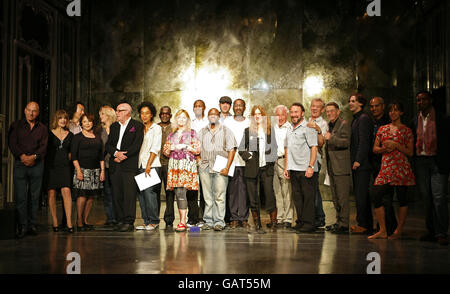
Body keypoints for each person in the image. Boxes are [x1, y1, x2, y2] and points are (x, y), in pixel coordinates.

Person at [369, 101, 415, 240]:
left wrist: (396, 145)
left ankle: (398, 230)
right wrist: (384, 148)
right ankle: (383, 230)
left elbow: (410, 152)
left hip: (401, 167)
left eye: (396, 110)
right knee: (376, 194)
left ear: (401, 112)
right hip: (387, 166)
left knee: (402, 199)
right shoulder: (383, 129)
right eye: (391, 111)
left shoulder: (406, 130)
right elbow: (375, 148)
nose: (393, 113)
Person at [412, 91, 450, 246]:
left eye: (424, 99)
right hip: (421, 161)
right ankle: (431, 230)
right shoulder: (415, 120)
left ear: (430, 100)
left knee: (439, 198)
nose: (421, 102)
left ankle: (441, 232)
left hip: (437, 161)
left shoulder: (442, 118)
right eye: (418, 100)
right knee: (426, 198)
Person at [8, 101, 48, 238]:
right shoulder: (16, 126)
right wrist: (22, 156)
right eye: (29, 110)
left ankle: (32, 224)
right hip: (20, 164)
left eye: (34, 111)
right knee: (21, 196)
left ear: (38, 113)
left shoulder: (42, 128)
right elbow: (12, 143)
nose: (31, 113)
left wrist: (34, 157)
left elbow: (44, 146)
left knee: (34, 197)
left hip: (37, 165)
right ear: (25, 110)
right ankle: (22, 226)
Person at [106, 103, 144, 232]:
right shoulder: (114, 126)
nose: (117, 113)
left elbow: (136, 145)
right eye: (116, 111)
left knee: (129, 194)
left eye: (119, 111)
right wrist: (116, 153)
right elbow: (109, 145)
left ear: (127, 112)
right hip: (115, 163)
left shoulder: (137, 126)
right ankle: (120, 220)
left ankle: (128, 221)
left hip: (129, 165)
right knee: (117, 194)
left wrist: (123, 155)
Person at [239, 105, 278, 232]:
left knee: (269, 194)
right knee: (253, 196)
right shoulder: (248, 130)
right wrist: (248, 156)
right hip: (252, 168)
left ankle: (273, 222)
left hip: (266, 169)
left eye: (259, 114)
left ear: (263, 116)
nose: (257, 116)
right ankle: (257, 223)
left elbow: (275, 148)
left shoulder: (269, 130)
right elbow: (240, 149)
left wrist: (270, 161)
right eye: (255, 114)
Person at [198, 108, 237, 231]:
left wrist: (227, 167)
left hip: (221, 166)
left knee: (220, 195)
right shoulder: (202, 131)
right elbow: (196, 147)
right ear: (208, 117)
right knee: (207, 196)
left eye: (215, 114)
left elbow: (232, 150)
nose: (213, 116)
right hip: (205, 166)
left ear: (219, 116)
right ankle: (208, 221)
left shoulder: (226, 131)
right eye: (210, 114)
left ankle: (219, 222)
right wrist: (198, 160)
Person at [162, 110, 201, 232]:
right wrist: (172, 148)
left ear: (187, 120)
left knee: (187, 194)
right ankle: (182, 221)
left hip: (187, 165)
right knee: (179, 193)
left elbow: (197, 149)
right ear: (176, 119)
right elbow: (165, 151)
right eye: (179, 118)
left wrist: (185, 146)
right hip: (175, 165)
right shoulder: (171, 134)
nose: (181, 120)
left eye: (184, 118)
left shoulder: (192, 133)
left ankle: (187, 221)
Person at [283, 103, 318, 233]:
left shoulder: (308, 127)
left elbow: (314, 147)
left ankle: (309, 224)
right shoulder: (289, 128)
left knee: (308, 197)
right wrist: (286, 167)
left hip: (305, 168)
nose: (293, 115)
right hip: (293, 168)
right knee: (297, 197)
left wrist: (310, 166)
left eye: (296, 112)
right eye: (292, 112)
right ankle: (301, 221)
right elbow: (287, 149)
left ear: (302, 113)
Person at [71, 113, 105, 231]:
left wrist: (102, 172)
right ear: (81, 123)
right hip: (82, 170)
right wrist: (79, 171)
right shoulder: (77, 137)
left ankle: (85, 220)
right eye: (84, 121)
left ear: (93, 122)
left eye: (89, 121)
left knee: (91, 197)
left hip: (95, 170)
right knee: (82, 196)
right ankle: (79, 221)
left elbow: (101, 156)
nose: (87, 124)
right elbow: (74, 156)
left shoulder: (97, 137)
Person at [369, 97, 397, 236]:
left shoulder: (388, 122)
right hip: (376, 163)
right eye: (372, 106)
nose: (374, 108)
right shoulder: (373, 122)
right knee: (379, 196)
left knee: (385, 196)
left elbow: (388, 146)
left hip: (389, 163)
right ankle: (383, 226)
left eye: (377, 106)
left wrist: (380, 149)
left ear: (383, 106)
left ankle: (390, 227)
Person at [324, 102, 351, 234]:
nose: (329, 113)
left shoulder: (344, 124)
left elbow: (346, 142)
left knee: (342, 197)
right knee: (335, 197)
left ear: (338, 111)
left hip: (341, 167)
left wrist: (331, 138)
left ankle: (344, 224)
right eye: (327, 111)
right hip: (332, 166)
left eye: (331, 111)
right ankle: (338, 221)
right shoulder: (329, 125)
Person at [349, 93, 374, 234]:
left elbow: (364, 142)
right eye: (350, 101)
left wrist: (358, 160)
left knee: (361, 195)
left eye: (353, 101)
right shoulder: (356, 119)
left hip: (362, 164)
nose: (350, 103)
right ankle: (365, 224)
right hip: (358, 163)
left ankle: (364, 224)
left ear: (361, 103)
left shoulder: (363, 119)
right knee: (360, 195)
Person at [46, 110, 74, 233]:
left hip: (65, 167)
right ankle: (55, 222)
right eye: (60, 118)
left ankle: (69, 222)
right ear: (56, 119)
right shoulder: (49, 134)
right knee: (51, 193)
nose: (63, 120)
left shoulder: (70, 134)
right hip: (51, 167)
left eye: (65, 118)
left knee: (66, 191)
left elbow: (72, 152)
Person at [136, 101, 162, 231]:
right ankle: (146, 221)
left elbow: (155, 148)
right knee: (141, 194)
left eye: (147, 113)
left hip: (152, 165)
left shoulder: (156, 128)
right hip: (140, 164)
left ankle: (154, 221)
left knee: (149, 193)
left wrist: (148, 165)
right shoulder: (139, 128)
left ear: (151, 114)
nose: (144, 116)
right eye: (142, 113)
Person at [224, 99, 250, 229]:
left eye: (241, 105)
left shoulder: (249, 121)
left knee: (245, 191)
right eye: (236, 105)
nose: (238, 107)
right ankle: (234, 218)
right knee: (232, 191)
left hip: (246, 162)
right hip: (231, 161)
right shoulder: (227, 121)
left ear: (244, 107)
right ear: (233, 107)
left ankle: (244, 218)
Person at [307, 98, 328, 228]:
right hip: (305, 160)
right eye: (312, 106)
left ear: (322, 110)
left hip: (316, 159)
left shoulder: (323, 124)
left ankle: (320, 218)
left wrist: (317, 129)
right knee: (309, 190)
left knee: (313, 189)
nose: (314, 108)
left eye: (317, 107)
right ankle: (312, 217)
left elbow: (321, 142)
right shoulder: (308, 121)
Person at [188, 100, 208, 227]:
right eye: (195, 106)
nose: (198, 108)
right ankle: (192, 217)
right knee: (192, 190)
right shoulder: (190, 123)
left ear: (204, 108)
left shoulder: (209, 121)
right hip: (191, 159)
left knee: (205, 189)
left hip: (205, 159)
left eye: (200, 106)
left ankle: (203, 217)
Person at [272, 105, 293, 228]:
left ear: (287, 115)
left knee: (287, 191)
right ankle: (279, 218)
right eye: (277, 115)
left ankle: (288, 218)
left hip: (285, 161)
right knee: (277, 191)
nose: (280, 117)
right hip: (273, 161)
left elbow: (290, 148)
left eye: (282, 115)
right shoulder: (272, 128)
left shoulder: (290, 128)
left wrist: (287, 166)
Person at [97, 105, 117, 226]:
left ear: (108, 115)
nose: (101, 117)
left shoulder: (117, 128)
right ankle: (110, 218)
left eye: (102, 114)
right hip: (105, 165)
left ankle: (118, 216)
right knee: (108, 193)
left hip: (116, 165)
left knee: (116, 192)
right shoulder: (99, 130)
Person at [158, 106, 176, 230]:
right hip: (156, 164)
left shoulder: (174, 128)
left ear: (170, 115)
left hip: (170, 163)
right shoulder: (155, 127)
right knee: (155, 192)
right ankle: (154, 218)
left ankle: (169, 219)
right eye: (162, 114)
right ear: (160, 115)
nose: (164, 115)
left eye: (167, 114)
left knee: (170, 193)